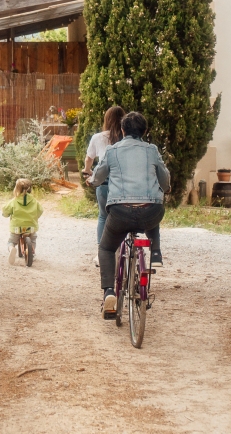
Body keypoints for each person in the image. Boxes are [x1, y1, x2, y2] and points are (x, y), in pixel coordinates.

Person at [88, 111, 170, 316]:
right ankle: (156, 252)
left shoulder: (112, 150)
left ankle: (108, 292)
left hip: (120, 212)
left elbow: (98, 176)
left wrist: (92, 181)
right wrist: (164, 188)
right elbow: (164, 178)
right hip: (151, 212)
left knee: (106, 248)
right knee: (154, 203)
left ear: (123, 130)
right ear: (145, 131)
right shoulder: (152, 150)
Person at [83, 106, 126, 264]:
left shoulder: (98, 137)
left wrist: (87, 171)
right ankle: (124, 249)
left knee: (103, 215)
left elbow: (89, 159)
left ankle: (102, 253)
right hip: (124, 184)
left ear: (106, 120)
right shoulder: (127, 137)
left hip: (104, 182)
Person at [2, 178, 44, 265]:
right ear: (30, 189)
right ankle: (32, 253)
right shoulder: (34, 201)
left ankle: (12, 248)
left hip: (17, 227)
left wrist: (5, 214)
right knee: (32, 240)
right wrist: (35, 217)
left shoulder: (14, 201)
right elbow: (40, 210)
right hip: (31, 227)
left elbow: (5, 210)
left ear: (16, 189)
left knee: (11, 241)